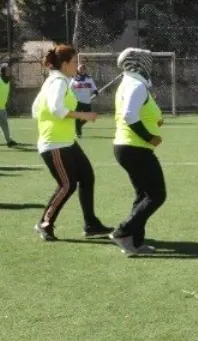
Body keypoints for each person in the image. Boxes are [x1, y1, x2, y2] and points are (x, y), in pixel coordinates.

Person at [31, 45, 111, 242]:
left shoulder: (59, 81)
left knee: (86, 177)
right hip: (55, 143)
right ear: (65, 64)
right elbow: (57, 109)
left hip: (66, 141)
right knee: (67, 185)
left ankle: (91, 224)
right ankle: (44, 223)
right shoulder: (58, 81)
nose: (77, 65)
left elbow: (35, 109)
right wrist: (84, 114)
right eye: (74, 61)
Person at [110, 49, 166, 256]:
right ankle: (123, 231)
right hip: (135, 148)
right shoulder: (136, 85)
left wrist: (155, 121)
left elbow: (137, 112)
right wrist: (149, 137)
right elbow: (129, 115)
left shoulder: (128, 83)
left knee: (143, 195)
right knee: (157, 195)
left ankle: (135, 241)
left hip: (127, 147)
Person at [71, 61, 99, 137]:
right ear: (77, 70)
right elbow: (70, 89)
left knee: (88, 116)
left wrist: (95, 91)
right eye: (80, 69)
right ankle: (78, 132)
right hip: (77, 101)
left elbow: (93, 87)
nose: (81, 70)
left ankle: (78, 126)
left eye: (83, 69)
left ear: (85, 70)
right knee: (77, 117)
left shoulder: (89, 79)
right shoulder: (74, 79)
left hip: (87, 101)